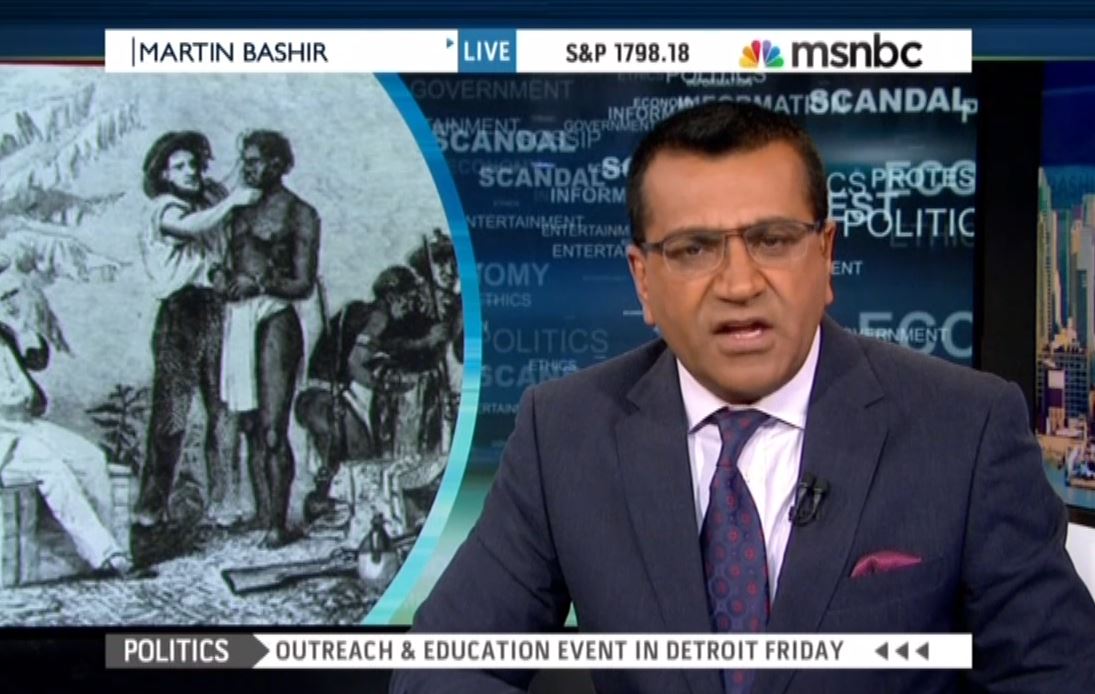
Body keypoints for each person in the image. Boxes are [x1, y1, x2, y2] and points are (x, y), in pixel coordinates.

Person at [393, 102, 1095, 693]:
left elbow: (1055, 675)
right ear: (643, 280)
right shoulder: (565, 433)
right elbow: (444, 666)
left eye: (772, 239)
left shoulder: (964, 428)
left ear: (825, 255)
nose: (738, 283)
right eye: (694, 249)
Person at [134, 131, 258, 529]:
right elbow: (191, 226)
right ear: (164, 174)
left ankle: (224, 504)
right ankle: (151, 509)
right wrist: (232, 201)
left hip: (215, 309)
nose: (190, 172)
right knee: (172, 416)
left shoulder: (207, 200)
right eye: (179, 167)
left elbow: (223, 211)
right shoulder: (163, 209)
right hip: (180, 315)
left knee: (223, 409)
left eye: (193, 164)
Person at [215, 130, 319, 548]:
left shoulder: (300, 213)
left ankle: (278, 524)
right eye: (245, 161)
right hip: (239, 319)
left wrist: (258, 284)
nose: (247, 168)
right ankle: (263, 514)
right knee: (250, 426)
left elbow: (303, 284)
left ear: (278, 164)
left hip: (276, 319)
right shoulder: (238, 209)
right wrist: (221, 278)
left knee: (274, 428)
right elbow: (225, 261)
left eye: (255, 161)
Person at [0, 291, 134, 578]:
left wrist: (22, 330)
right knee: (52, 467)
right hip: (4, 438)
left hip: (24, 425)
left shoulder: (4, 331)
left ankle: (109, 550)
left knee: (90, 458)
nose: (6, 299)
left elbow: (37, 361)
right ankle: (106, 556)